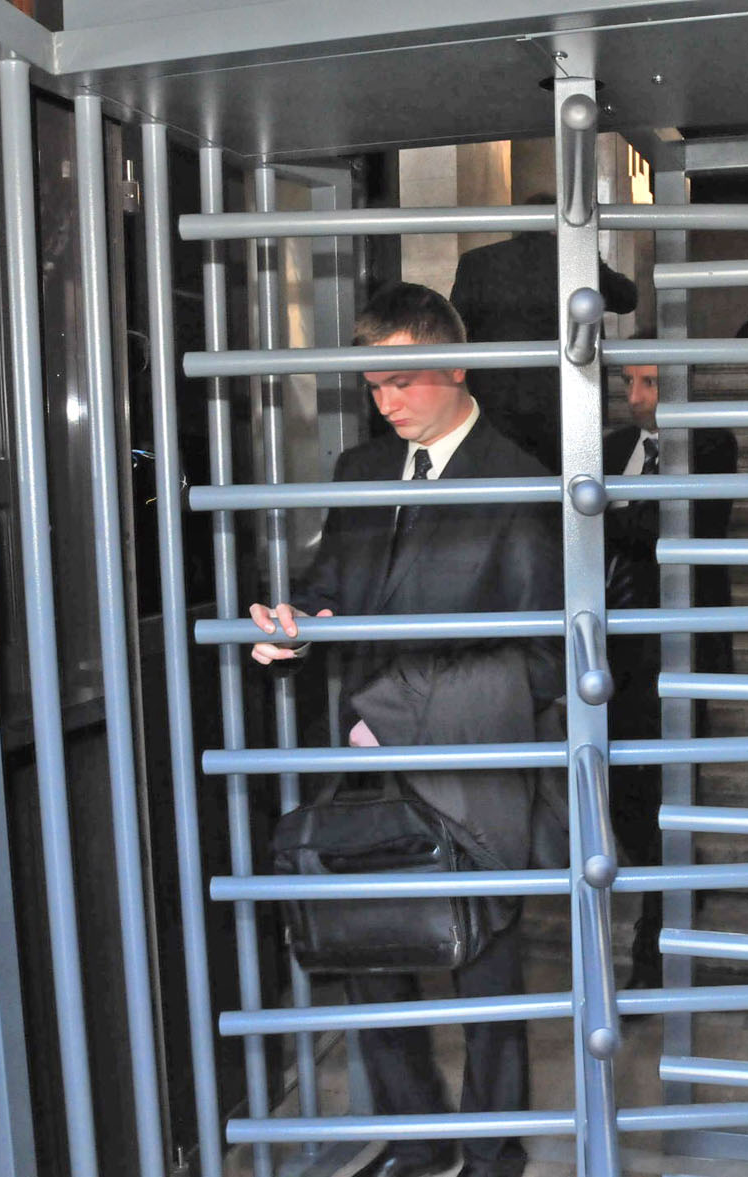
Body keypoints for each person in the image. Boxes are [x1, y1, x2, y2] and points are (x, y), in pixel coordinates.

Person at [249, 282, 563, 1177]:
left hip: (468, 760)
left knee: (485, 965)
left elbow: (545, 656)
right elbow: (331, 589)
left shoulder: (521, 481)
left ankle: (492, 1154)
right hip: (361, 756)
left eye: (402, 381)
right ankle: (420, 1138)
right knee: (367, 946)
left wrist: (403, 716)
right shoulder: (358, 470)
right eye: (374, 386)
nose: (385, 402)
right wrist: (293, 625)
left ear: (456, 367)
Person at [601, 340, 738, 990]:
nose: (635, 398)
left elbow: (674, 530)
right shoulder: (609, 448)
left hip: (679, 651)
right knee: (620, 794)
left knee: (666, 796)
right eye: (629, 382)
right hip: (613, 653)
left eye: (649, 383)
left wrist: (597, 509)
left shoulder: (711, 445)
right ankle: (676, 873)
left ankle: (652, 948)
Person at [449, 194, 639, 473]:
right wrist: (589, 258)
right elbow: (627, 298)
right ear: (560, 223)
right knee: (566, 480)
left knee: (499, 477)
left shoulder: (476, 262)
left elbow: (455, 329)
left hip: (494, 401)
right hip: (568, 397)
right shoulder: (575, 260)